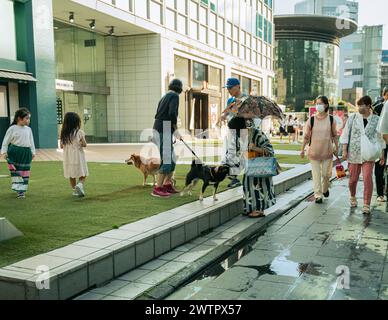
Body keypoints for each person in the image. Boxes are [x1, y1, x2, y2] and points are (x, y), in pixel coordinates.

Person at [340, 96, 386, 214]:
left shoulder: (376, 119)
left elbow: (380, 138)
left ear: (368, 105)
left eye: (362, 105)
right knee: (353, 180)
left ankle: (366, 204)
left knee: (367, 178)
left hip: (369, 155)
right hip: (353, 153)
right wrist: (344, 150)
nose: (359, 107)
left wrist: (382, 154)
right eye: (358, 105)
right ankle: (353, 196)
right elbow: (345, 134)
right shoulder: (353, 118)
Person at [301, 96, 338, 204]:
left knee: (326, 175)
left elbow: (334, 135)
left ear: (326, 105)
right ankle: (318, 195)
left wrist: (337, 147)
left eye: (320, 103)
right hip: (314, 152)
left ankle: (325, 189)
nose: (318, 105)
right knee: (316, 175)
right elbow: (306, 137)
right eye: (317, 103)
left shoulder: (331, 119)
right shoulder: (311, 120)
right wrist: (302, 149)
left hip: (327, 151)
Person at [152, 79, 182, 198]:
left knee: (172, 158)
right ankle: (158, 188)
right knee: (167, 158)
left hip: (160, 127)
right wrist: (176, 130)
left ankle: (167, 184)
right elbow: (172, 114)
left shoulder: (164, 97)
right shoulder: (174, 96)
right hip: (163, 128)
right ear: (179, 88)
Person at [241, 120, 276, 218]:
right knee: (247, 186)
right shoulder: (242, 136)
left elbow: (270, 151)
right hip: (250, 166)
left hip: (261, 167)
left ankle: (259, 210)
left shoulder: (258, 134)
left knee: (259, 186)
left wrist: (255, 148)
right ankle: (250, 208)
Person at [219, 78, 248, 188]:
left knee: (243, 154)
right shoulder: (230, 101)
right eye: (227, 88)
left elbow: (249, 116)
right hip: (232, 131)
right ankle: (234, 178)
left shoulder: (246, 99)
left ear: (237, 86)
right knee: (231, 153)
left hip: (243, 130)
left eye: (230, 88)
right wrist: (223, 116)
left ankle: (244, 175)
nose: (229, 90)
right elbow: (227, 113)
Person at [1, 108, 36, 199]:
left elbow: (31, 142)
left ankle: (22, 190)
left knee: (25, 172)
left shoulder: (28, 129)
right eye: (27, 118)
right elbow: (5, 142)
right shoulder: (12, 129)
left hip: (26, 153)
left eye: (29, 118)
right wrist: (4, 152)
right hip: (14, 153)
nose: (28, 120)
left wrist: (33, 152)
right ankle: (19, 190)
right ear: (19, 118)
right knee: (16, 172)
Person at [60, 112, 89, 197]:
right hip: (78, 156)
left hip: (68, 157)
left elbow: (61, 146)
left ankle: (74, 190)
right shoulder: (79, 132)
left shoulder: (64, 133)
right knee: (83, 173)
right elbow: (84, 145)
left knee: (71, 174)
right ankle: (80, 185)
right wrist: (82, 140)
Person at [373, 87, 388, 202]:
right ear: (383, 95)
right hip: (380, 142)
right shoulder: (378, 108)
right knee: (379, 167)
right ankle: (379, 193)